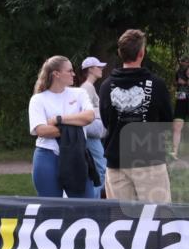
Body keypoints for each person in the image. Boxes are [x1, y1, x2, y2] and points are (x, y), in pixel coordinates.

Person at [99, 29, 174, 203]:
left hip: (117, 161)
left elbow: (106, 121)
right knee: (157, 215)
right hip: (149, 161)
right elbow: (166, 121)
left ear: (120, 53)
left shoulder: (106, 86)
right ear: (142, 53)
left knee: (121, 217)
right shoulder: (157, 84)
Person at [28, 56, 96, 198]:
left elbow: (89, 116)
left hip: (76, 155)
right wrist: (76, 125)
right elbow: (41, 130)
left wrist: (58, 119)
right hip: (47, 156)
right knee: (51, 207)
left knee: (86, 206)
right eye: (69, 71)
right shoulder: (38, 99)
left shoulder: (79, 93)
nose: (74, 74)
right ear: (56, 74)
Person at [78, 56, 108, 197]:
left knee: (99, 167)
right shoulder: (87, 88)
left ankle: (95, 200)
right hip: (90, 135)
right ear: (90, 69)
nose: (101, 69)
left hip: (93, 134)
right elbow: (83, 112)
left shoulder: (89, 87)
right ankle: (95, 203)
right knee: (100, 168)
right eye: (98, 66)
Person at [173, 54, 188, 159]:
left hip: (184, 97)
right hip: (181, 97)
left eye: (184, 61)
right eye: (182, 61)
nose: (183, 63)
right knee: (177, 126)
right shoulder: (179, 71)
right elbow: (176, 83)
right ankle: (174, 152)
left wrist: (184, 83)